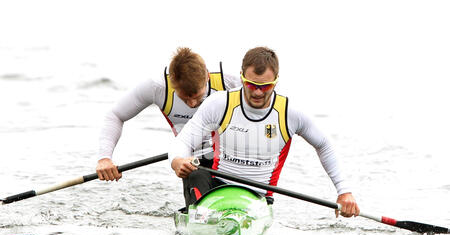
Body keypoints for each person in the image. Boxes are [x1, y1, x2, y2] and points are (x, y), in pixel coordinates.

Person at [169, 46, 359, 218]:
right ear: (241, 76)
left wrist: (344, 191)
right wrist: (177, 160)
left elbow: (323, 146)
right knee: (195, 173)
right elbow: (185, 141)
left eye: (265, 86)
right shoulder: (219, 103)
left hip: (258, 198)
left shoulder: (289, 114)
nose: (258, 92)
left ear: (276, 81)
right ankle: (199, 221)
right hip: (216, 188)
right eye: (252, 85)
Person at [96, 47, 241, 202]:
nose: (192, 104)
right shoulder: (157, 87)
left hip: (231, 159)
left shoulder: (231, 84)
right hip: (192, 163)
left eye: (198, 96)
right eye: (185, 98)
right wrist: (105, 158)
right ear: (172, 82)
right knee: (197, 176)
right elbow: (115, 115)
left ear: (207, 76)